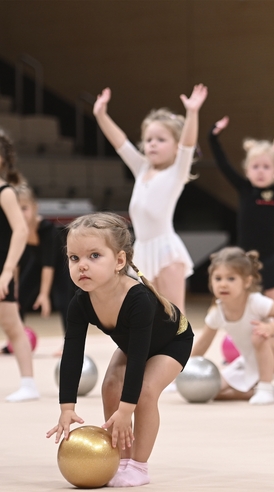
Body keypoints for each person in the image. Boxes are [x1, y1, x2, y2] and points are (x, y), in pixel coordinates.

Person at [46, 212, 195, 487]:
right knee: (110, 386)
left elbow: (138, 359)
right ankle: (120, 459)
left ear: (119, 261)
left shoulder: (138, 300)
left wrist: (127, 410)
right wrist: (67, 407)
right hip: (135, 343)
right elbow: (72, 354)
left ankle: (138, 465)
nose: (82, 266)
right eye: (74, 258)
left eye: (94, 256)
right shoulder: (80, 303)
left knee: (145, 392)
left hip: (173, 341)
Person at [92, 84, 208, 314]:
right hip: (142, 250)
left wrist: (193, 113)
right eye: (148, 139)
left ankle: (180, 350)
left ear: (175, 147)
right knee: (143, 313)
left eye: (161, 139)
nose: (152, 144)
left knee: (174, 314)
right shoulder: (142, 168)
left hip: (166, 250)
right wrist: (100, 114)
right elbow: (120, 143)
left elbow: (188, 145)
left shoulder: (176, 172)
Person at [209, 119, 274, 303]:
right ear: (247, 170)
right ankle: (240, 331)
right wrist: (212, 137)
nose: (260, 172)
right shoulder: (244, 189)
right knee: (242, 301)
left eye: (266, 167)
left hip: (270, 256)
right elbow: (223, 164)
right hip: (244, 257)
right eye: (255, 167)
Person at [190, 246, 274, 404]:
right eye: (218, 278)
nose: (223, 284)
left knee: (258, 335)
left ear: (247, 281)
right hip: (250, 361)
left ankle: (265, 387)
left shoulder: (255, 301)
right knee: (210, 389)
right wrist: (182, 369)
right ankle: (258, 391)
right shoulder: (217, 312)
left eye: (231, 278)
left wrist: (270, 328)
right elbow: (203, 343)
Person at [0, 133, 38, 402]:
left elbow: (21, 230)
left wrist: (7, 270)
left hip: (1, 270)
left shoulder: (5, 193)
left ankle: (28, 384)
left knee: (12, 326)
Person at [15, 184, 73, 339]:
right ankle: (16, 339)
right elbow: (15, 261)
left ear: (35, 207)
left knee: (63, 303)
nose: (21, 213)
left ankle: (68, 343)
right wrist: (14, 285)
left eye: (24, 208)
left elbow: (49, 264)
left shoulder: (47, 229)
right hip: (37, 263)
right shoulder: (17, 230)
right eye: (16, 209)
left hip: (60, 266)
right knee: (18, 298)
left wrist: (44, 294)